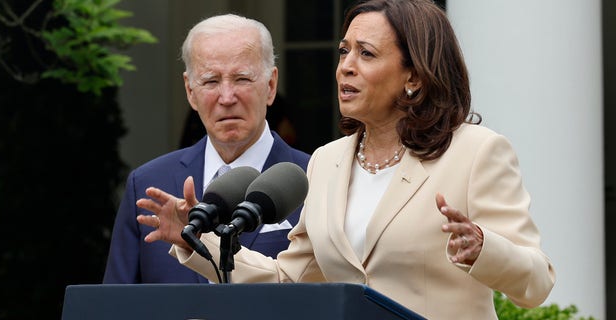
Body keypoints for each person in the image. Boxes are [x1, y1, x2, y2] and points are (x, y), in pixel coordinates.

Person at [135, 0, 556, 318]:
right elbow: (289, 279)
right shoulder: (327, 162)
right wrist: (195, 239)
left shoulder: (475, 151)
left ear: (413, 76)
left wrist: (483, 247)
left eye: (366, 54)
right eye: (343, 51)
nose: (345, 68)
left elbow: (536, 282)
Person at [103, 14, 310, 283]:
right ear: (190, 90)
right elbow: (116, 304)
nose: (226, 97)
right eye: (211, 81)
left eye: (242, 79)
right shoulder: (148, 184)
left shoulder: (316, 178)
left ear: (270, 86)